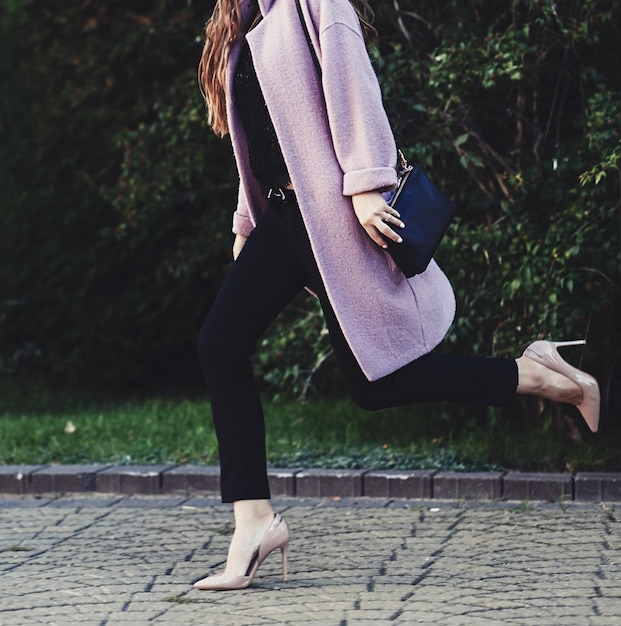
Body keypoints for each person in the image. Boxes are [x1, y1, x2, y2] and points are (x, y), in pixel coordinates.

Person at [193, 0, 600, 591]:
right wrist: (243, 223)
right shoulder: (247, 21)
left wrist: (366, 184)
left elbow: (355, 86)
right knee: (219, 346)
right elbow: (263, 137)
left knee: (374, 386)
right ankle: (252, 521)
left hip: (330, 214)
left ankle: (534, 373)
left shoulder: (315, 4)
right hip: (281, 219)